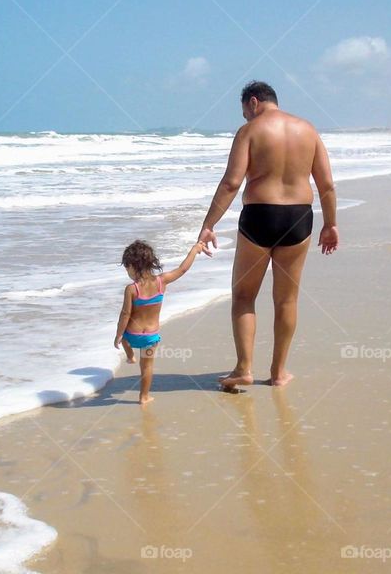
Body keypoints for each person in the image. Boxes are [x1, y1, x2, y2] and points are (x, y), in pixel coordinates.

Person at [197, 81, 338, 391]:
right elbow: (326, 185)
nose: (246, 117)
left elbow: (231, 183)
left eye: (245, 111)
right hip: (299, 218)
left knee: (244, 297)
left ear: (254, 102)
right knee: (286, 299)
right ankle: (279, 372)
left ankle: (244, 368)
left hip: (260, 216)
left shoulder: (249, 132)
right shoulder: (308, 130)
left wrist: (208, 225)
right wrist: (330, 224)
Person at [115, 239, 205, 404]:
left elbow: (125, 314)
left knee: (125, 340)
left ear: (134, 267)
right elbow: (183, 269)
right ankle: (144, 396)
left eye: (127, 267)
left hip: (133, 334)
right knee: (147, 366)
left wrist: (118, 335)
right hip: (150, 337)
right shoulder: (162, 281)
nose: (127, 271)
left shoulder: (131, 289)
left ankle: (129, 356)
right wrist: (194, 250)